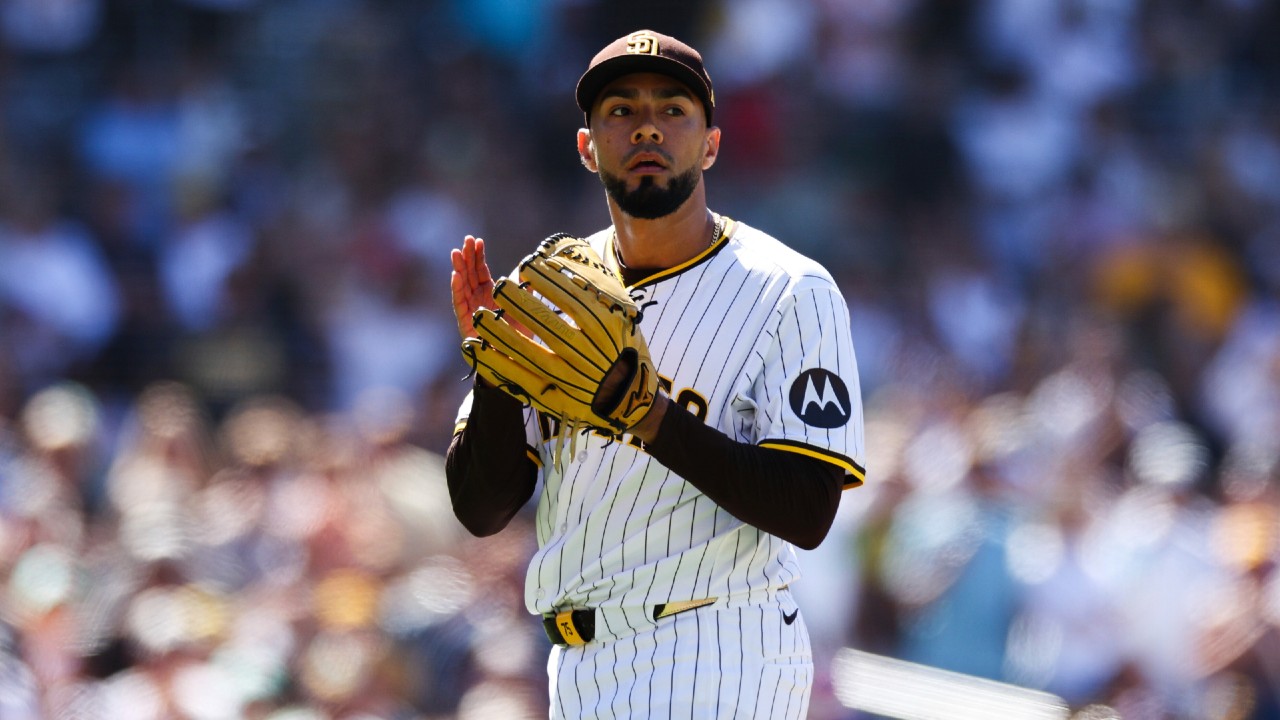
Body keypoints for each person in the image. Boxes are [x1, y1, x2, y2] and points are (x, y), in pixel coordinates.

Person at [446, 29, 865, 719]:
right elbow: (481, 509)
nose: (647, 128)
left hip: (718, 641)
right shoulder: (550, 292)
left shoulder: (788, 289)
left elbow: (807, 509)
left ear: (711, 144)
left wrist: (647, 414)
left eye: (673, 109)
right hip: (578, 664)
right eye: (621, 111)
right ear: (587, 148)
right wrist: (496, 369)